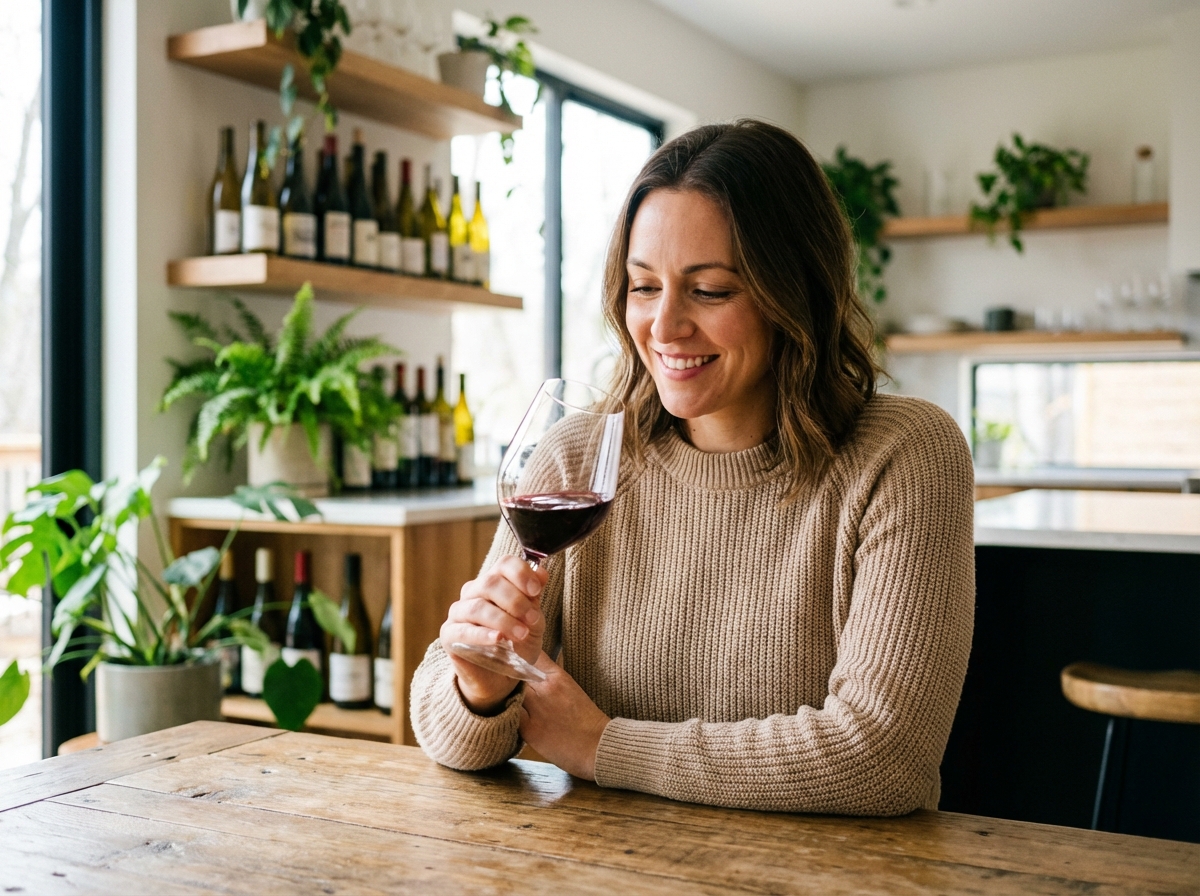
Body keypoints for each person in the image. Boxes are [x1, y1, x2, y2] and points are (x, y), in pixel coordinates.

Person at [411, 119, 974, 816]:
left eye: (709, 290)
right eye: (644, 287)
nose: (665, 325)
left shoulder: (904, 455)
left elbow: (883, 758)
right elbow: (443, 724)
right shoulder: (578, 456)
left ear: (794, 293)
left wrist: (602, 747)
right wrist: (480, 687)